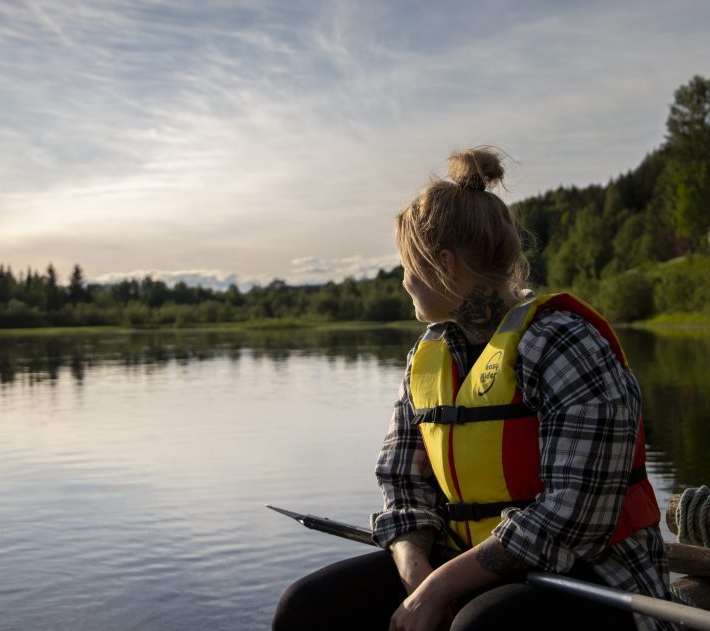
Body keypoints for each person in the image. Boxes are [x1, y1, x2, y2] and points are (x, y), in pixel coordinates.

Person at [273, 148, 673, 631]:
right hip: (468, 566)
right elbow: (402, 481)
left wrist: (441, 589)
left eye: (408, 265)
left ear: (444, 265)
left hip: (593, 580)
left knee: (479, 627)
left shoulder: (565, 343)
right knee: (307, 606)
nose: (403, 281)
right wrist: (418, 576)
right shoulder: (431, 351)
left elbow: (573, 518)